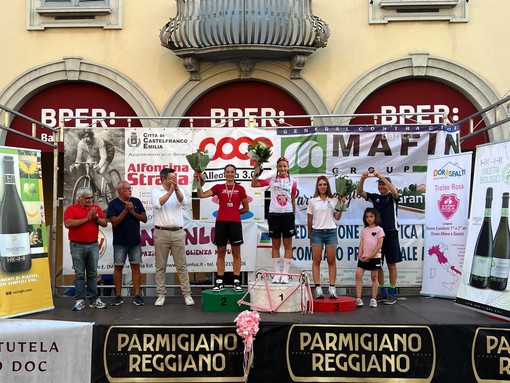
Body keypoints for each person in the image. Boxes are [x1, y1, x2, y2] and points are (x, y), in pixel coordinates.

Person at [196, 164, 250, 292]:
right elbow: (201, 195)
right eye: (228, 172)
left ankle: (236, 280)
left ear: (235, 174)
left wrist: (235, 213)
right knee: (221, 252)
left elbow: (246, 208)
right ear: (224, 174)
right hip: (221, 223)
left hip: (235, 223)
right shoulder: (219, 187)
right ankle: (220, 281)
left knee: (236, 253)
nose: (230, 174)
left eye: (232, 172)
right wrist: (197, 182)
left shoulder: (240, 189)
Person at [357, 169, 402, 305]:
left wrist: (381, 176)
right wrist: (363, 178)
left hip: (391, 233)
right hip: (376, 235)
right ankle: (382, 293)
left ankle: (392, 293)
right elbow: (360, 192)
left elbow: (394, 192)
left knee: (391, 264)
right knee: (379, 266)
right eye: (379, 184)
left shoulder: (393, 197)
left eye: (383, 184)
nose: (381, 186)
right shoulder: (375, 197)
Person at [151, 168, 194, 306]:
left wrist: (175, 189)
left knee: (181, 265)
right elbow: (157, 204)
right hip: (161, 232)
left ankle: (187, 294)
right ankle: (161, 295)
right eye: (171, 178)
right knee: (160, 266)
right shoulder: (156, 191)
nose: (174, 180)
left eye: (175, 178)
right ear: (163, 179)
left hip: (177, 232)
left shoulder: (178, 190)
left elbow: (184, 203)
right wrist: (170, 191)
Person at [251, 157, 297, 284]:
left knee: (288, 245)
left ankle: (285, 274)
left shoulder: (293, 181)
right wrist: (256, 171)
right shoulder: (272, 179)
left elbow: (293, 199)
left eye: (284, 166)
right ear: (277, 167)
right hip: (274, 214)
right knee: (275, 245)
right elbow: (254, 184)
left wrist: (293, 216)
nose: (282, 169)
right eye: (280, 166)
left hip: (287, 214)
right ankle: (277, 274)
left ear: (288, 167)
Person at [63, 187, 108, 311]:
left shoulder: (96, 208)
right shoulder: (71, 209)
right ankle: (80, 300)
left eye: (91, 198)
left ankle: (94, 299)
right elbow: (68, 224)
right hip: (77, 245)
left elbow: (105, 223)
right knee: (79, 274)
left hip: (93, 244)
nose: (90, 200)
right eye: (86, 198)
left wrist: (96, 219)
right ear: (79, 199)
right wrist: (86, 218)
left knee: (93, 274)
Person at [107, 181, 148, 306]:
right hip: (120, 242)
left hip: (135, 241)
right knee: (118, 267)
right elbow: (114, 222)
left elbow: (144, 219)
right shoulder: (113, 204)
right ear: (120, 190)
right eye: (127, 189)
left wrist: (133, 212)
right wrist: (125, 210)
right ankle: (118, 296)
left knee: (136, 267)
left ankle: (137, 295)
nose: (130, 191)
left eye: (131, 188)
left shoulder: (136, 201)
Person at [307, 176, 345, 299]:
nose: (322, 187)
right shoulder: (313, 201)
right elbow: (309, 220)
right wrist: (310, 235)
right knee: (316, 260)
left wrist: (341, 203)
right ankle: (318, 288)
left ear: (327, 186)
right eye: (320, 185)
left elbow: (337, 217)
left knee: (331, 260)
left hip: (331, 231)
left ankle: (332, 288)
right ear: (317, 187)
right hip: (317, 232)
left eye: (324, 184)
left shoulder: (333, 200)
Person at [70, 128, 116, 196]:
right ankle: (96, 190)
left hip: (108, 151)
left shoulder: (99, 141)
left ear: (91, 136)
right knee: (88, 166)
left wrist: (99, 165)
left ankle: (112, 190)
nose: (85, 139)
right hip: (95, 154)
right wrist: (76, 166)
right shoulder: (81, 143)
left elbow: (103, 157)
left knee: (102, 171)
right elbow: (78, 159)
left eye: (87, 137)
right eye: (83, 137)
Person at [355, 207, 385, 308]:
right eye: (367, 217)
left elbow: (379, 245)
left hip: (375, 257)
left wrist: (371, 256)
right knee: (358, 275)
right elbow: (361, 243)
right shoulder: (364, 230)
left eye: (371, 216)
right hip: (364, 257)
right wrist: (360, 255)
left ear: (375, 217)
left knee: (374, 277)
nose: (369, 219)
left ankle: (373, 299)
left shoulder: (379, 230)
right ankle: (358, 298)